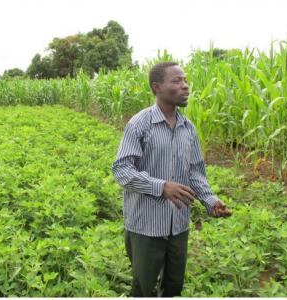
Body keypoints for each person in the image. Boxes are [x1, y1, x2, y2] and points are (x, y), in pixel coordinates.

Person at [112, 62, 231, 297]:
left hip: (178, 224)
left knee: (174, 286)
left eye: (185, 80)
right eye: (177, 81)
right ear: (157, 87)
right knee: (144, 288)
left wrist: (211, 201)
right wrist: (161, 187)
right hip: (146, 226)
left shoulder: (189, 128)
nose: (185, 86)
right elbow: (122, 170)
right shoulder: (140, 124)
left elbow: (195, 172)